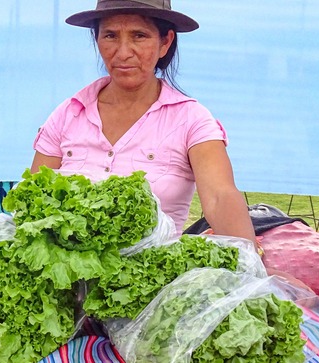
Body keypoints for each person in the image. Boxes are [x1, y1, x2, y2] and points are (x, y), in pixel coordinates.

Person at [30, 0, 255, 242]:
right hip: (65, 274)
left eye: (139, 36)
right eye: (110, 36)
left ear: (165, 42)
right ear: (97, 41)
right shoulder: (68, 114)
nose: (123, 52)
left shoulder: (192, 120)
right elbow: (33, 199)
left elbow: (220, 196)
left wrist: (252, 259)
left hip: (156, 277)